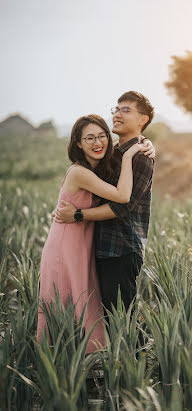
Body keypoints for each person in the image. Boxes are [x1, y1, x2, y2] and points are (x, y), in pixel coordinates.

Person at [37, 113, 153, 353]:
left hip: (83, 242)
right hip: (67, 243)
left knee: (86, 301)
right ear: (78, 143)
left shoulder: (98, 167)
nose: (97, 142)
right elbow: (122, 196)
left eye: (102, 136)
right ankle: (58, 361)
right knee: (66, 301)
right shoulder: (80, 172)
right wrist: (131, 154)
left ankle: (86, 363)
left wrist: (145, 144)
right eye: (89, 138)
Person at [54, 91, 155, 323]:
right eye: (116, 110)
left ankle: (135, 360)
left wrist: (78, 215)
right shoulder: (114, 153)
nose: (117, 115)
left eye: (125, 110)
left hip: (121, 249)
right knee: (107, 319)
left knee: (122, 322)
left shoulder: (141, 156)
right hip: (100, 248)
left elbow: (123, 207)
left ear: (143, 119)